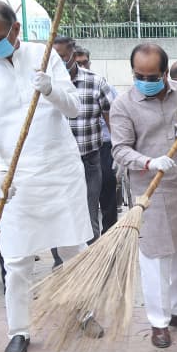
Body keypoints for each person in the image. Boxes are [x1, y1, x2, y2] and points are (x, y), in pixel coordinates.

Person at [0, 0, 94, 352]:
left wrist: (51, 88)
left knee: (73, 249)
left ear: (15, 30)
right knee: (17, 258)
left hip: (59, 169)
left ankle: (84, 312)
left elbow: (75, 107)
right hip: (13, 178)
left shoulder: (43, 55)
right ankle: (18, 330)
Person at [110, 43, 177, 349]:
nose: (146, 80)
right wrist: (148, 162)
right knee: (155, 258)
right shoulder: (124, 104)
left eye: (153, 75)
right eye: (139, 75)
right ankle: (158, 321)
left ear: (166, 72)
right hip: (152, 190)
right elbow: (120, 148)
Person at [52, 35, 116, 242]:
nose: (59, 61)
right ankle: (61, 264)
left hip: (88, 160)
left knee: (88, 215)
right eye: (54, 57)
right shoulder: (45, 84)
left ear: (72, 54)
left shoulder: (95, 82)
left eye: (62, 56)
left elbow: (112, 120)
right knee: (60, 216)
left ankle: (92, 261)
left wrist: (119, 150)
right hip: (56, 163)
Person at [72, 47, 120, 233]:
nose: (82, 66)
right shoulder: (59, 86)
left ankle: (110, 235)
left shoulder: (99, 84)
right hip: (72, 154)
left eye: (85, 62)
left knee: (107, 193)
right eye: (78, 62)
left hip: (102, 148)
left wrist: (118, 149)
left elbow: (114, 118)